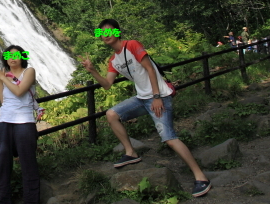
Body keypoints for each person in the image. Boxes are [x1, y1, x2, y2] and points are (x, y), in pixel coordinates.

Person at [79, 19, 211, 198]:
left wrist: (156, 96)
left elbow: (150, 69)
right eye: (101, 33)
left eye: (109, 31)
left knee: (169, 138)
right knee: (111, 114)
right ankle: (131, 152)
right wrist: (93, 71)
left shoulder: (132, 45)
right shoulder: (113, 60)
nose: (105, 35)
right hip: (142, 99)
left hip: (159, 96)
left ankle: (201, 177)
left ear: (117, 32)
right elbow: (107, 84)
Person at [0, 45, 39, 204]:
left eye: (16, 55)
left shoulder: (29, 72)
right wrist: (2, 78)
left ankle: (31, 201)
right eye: (8, 55)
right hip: (4, 122)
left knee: (28, 164)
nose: (12, 58)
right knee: (3, 165)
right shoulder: (1, 77)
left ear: (22, 57)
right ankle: (1, 201)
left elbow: (19, 91)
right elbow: (3, 100)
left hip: (24, 122)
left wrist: (3, 77)